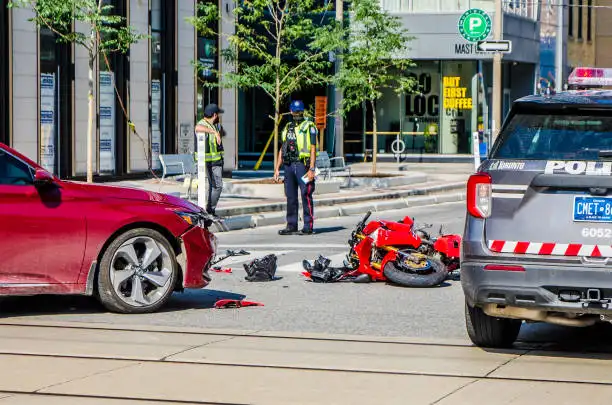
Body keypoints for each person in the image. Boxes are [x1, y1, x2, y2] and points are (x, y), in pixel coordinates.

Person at [274, 100, 318, 235]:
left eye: (299, 111)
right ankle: (291, 225)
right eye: (295, 111)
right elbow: (283, 148)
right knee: (291, 196)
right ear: (291, 112)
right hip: (288, 165)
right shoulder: (287, 127)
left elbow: (313, 148)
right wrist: (276, 168)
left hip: (302, 165)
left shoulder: (309, 126)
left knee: (306, 194)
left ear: (302, 111)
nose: (297, 113)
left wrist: (311, 168)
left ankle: (308, 226)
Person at [195, 103, 225, 218]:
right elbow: (197, 128)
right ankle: (210, 210)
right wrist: (214, 133)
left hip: (216, 161)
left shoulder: (213, 125)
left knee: (214, 186)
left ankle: (209, 210)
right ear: (214, 114)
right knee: (218, 186)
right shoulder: (203, 124)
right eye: (217, 114)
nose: (218, 116)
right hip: (209, 162)